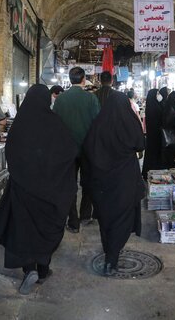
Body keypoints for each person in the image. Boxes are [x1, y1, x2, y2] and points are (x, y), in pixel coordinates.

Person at [0, 84, 78, 295]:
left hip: (24, 189)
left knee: (25, 229)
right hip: (51, 191)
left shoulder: (20, 125)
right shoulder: (55, 124)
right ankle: (44, 270)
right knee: (47, 228)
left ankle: (29, 269)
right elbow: (71, 151)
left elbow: (10, 153)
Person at [83, 92, 145, 276]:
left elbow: (87, 149)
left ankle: (109, 251)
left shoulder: (98, 125)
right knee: (122, 218)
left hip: (102, 183)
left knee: (105, 217)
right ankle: (112, 257)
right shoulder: (129, 122)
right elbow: (140, 144)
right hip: (124, 181)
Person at [53, 67, 101, 232]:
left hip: (66, 150)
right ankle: (85, 215)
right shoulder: (91, 98)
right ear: (84, 79)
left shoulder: (60, 99)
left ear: (70, 79)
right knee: (87, 183)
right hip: (87, 149)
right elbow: (97, 124)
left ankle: (73, 221)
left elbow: (55, 124)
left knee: (69, 185)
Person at [142, 89, 162, 179]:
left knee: (150, 154)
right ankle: (152, 173)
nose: (159, 95)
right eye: (157, 93)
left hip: (151, 134)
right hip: (155, 134)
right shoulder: (156, 106)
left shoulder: (150, 105)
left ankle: (146, 172)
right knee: (153, 154)